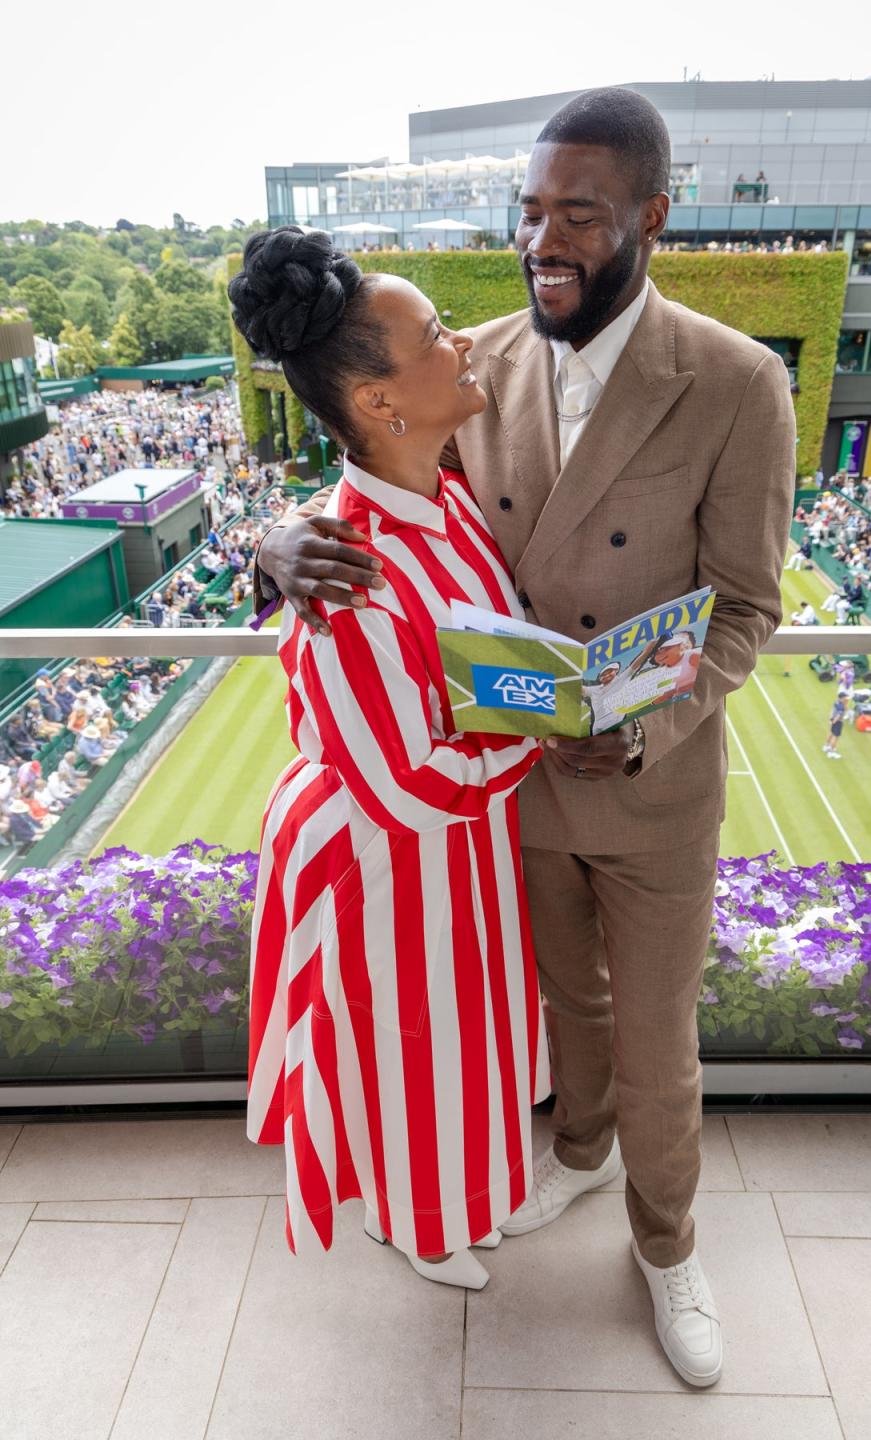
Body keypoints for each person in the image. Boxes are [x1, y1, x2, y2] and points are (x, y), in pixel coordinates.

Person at [251, 88, 796, 1388]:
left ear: (654, 216)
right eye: (532, 209)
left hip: (648, 783)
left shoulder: (737, 381)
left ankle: (669, 1251)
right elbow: (362, 474)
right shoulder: (470, 359)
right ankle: (576, 1156)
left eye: (582, 215)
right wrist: (265, 549)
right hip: (517, 806)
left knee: (661, 1040)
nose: (544, 240)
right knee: (567, 1012)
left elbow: (751, 611)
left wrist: (649, 728)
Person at [229, 227, 549, 1293]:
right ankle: (413, 1223)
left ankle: (455, 1206)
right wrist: (554, 726)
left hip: (457, 846)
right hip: (392, 858)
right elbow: (409, 780)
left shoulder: (445, 493)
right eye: (432, 336)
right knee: (409, 1051)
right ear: (377, 402)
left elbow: (478, 676)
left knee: (466, 1041)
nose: (463, 344)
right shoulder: (349, 568)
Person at [823, 694, 847, 759]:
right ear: (841, 698)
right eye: (844, 698)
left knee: (831, 733)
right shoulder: (841, 706)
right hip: (838, 722)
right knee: (835, 737)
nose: (845, 699)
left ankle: (826, 746)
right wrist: (834, 722)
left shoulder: (836, 702)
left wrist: (831, 720)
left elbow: (832, 712)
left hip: (833, 720)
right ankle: (832, 752)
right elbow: (838, 716)